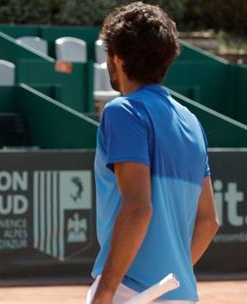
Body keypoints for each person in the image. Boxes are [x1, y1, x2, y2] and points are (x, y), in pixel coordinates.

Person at [88, 2, 219, 304]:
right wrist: (171, 273)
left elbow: (138, 207)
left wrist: (105, 291)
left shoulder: (123, 111)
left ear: (117, 59)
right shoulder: (191, 122)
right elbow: (208, 221)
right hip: (180, 294)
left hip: (126, 290)